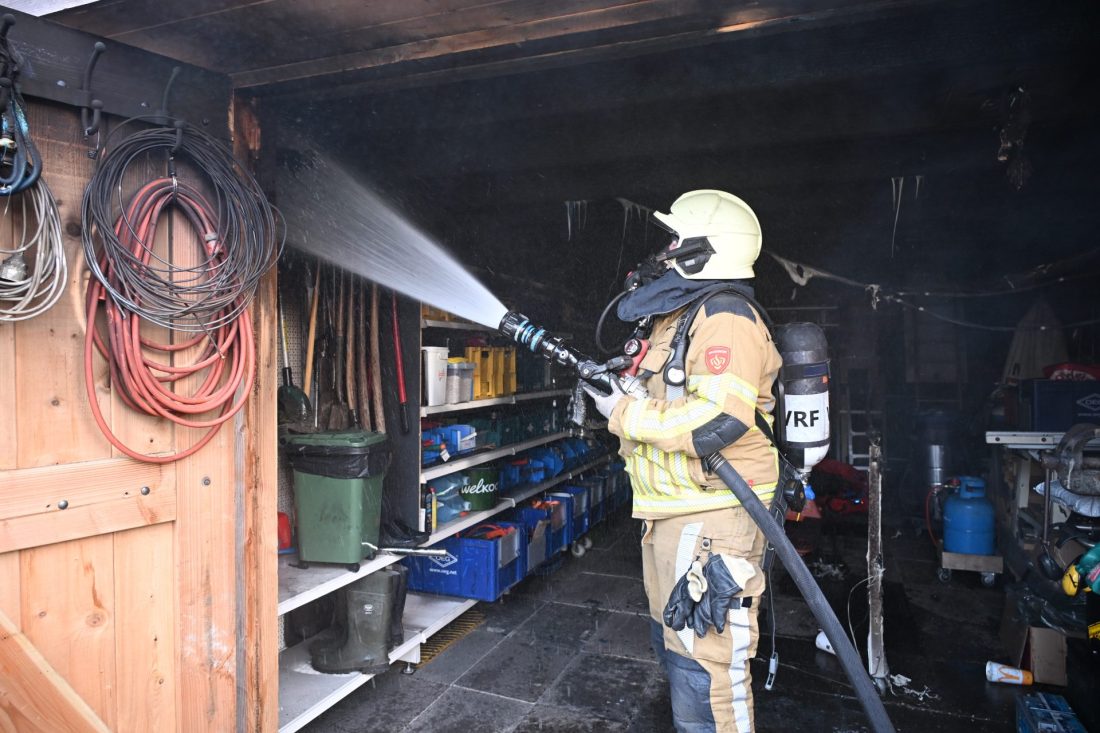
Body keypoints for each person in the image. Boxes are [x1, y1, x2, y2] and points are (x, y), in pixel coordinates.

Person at [584, 189, 781, 733]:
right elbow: (672, 396)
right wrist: (620, 388)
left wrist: (623, 411)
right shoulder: (679, 315)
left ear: (702, 251)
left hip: (714, 514)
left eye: (675, 241)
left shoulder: (726, 317)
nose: (664, 251)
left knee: (706, 669)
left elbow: (717, 420)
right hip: (674, 513)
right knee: (675, 648)